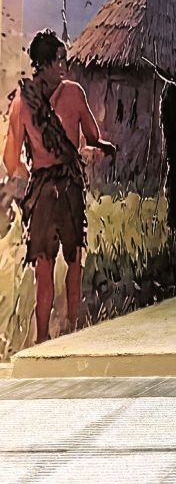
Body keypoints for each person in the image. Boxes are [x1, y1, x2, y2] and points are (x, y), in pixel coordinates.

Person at [2, 30, 115, 342]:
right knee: (68, 262)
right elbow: (92, 136)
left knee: (51, 266)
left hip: (44, 190)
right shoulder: (69, 95)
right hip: (66, 188)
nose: (65, 66)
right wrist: (100, 146)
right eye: (60, 60)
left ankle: (49, 337)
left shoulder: (24, 102)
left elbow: (11, 161)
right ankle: (64, 333)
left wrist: (33, 173)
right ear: (45, 64)